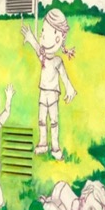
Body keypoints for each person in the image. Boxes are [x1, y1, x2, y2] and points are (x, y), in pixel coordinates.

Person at [25, 9, 78, 160]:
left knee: (54, 121)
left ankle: (55, 147)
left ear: (58, 38)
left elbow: (64, 77)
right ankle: (43, 144)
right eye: (42, 31)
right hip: (43, 92)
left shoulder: (57, 61)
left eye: (45, 32)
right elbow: (37, 47)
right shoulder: (43, 57)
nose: (42, 35)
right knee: (42, 119)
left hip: (53, 94)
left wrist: (70, 89)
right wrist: (30, 37)